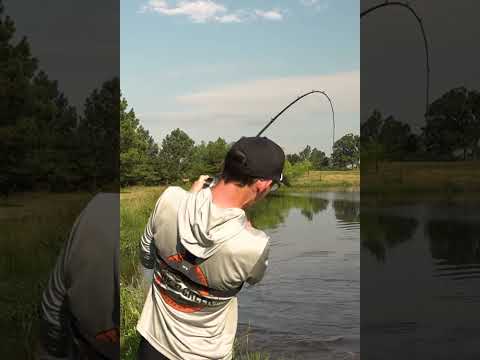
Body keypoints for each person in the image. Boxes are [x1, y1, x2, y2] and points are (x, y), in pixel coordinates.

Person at [136, 136, 285, 360]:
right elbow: (253, 279)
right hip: (206, 354)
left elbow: (146, 256)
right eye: (272, 186)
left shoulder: (170, 199)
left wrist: (190, 199)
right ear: (262, 185)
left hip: (153, 344)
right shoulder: (255, 244)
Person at [38, 193, 120, 360]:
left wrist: (53, 353)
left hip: (85, 345)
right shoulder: (101, 209)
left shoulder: (99, 208)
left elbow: (53, 308)